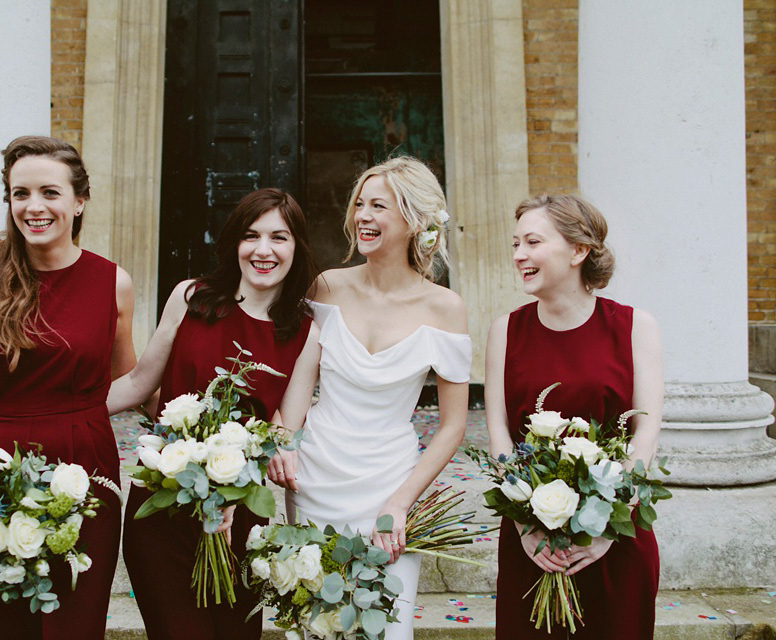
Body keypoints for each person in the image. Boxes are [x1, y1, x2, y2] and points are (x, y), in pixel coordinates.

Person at [0, 136, 137, 639]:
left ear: (79, 200)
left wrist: (203, 437)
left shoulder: (113, 283)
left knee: (76, 623)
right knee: (10, 623)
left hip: (86, 472)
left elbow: (130, 383)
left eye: (50, 192)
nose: (33, 206)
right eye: (19, 193)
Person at [107, 188, 321, 639]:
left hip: (238, 520)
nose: (263, 250)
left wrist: (235, 486)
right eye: (251, 236)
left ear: (296, 247)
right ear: (234, 244)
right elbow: (140, 384)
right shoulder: (191, 298)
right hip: (162, 505)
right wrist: (47, 411)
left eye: (279, 238)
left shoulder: (304, 332)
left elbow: (284, 431)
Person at [281, 156, 471, 640]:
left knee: (388, 626)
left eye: (379, 206)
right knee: (315, 625)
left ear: (414, 221)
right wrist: (284, 440)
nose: (362, 216)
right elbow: (301, 378)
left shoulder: (444, 308)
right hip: (316, 477)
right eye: (359, 204)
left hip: (388, 483)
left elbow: (452, 426)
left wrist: (402, 502)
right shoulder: (327, 285)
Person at [485, 194, 663, 639]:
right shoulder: (505, 330)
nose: (518, 255)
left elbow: (645, 432)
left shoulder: (636, 326)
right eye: (515, 244)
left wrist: (603, 528)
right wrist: (527, 525)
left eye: (532, 242)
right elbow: (500, 436)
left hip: (616, 541)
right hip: (533, 544)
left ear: (579, 251)